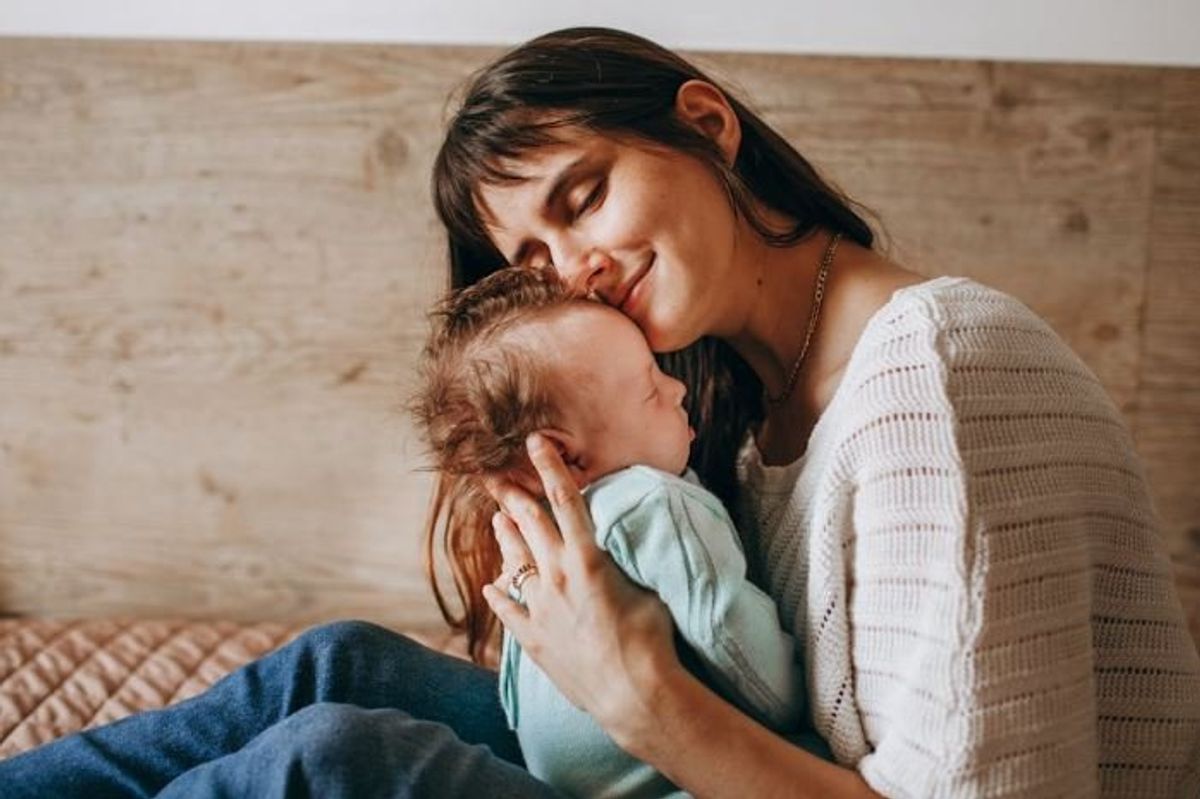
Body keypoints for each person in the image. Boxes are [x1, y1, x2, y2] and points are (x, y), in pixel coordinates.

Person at [1, 25, 1196, 799]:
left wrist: (639, 695)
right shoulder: (736, 395)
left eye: (585, 195)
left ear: (708, 126)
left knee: (337, 761)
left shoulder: (934, 370)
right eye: (533, 252)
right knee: (330, 669)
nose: (574, 268)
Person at [408, 264, 811, 797]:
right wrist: (796, 706)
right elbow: (725, 628)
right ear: (565, 455)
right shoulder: (653, 502)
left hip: (549, 771)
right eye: (650, 387)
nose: (678, 388)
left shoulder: (538, 533)